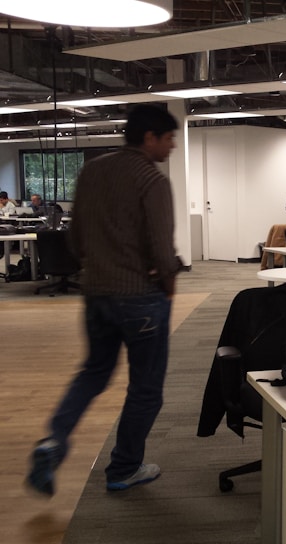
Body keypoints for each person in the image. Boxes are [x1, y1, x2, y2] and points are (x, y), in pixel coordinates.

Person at [26, 104, 182, 496]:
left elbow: (75, 239)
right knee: (145, 389)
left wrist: (100, 266)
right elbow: (163, 251)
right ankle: (124, 468)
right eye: (168, 139)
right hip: (141, 299)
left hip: (95, 295)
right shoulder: (152, 180)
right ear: (149, 138)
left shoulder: (92, 170)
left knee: (93, 373)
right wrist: (168, 285)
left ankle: (53, 441)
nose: (172, 147)